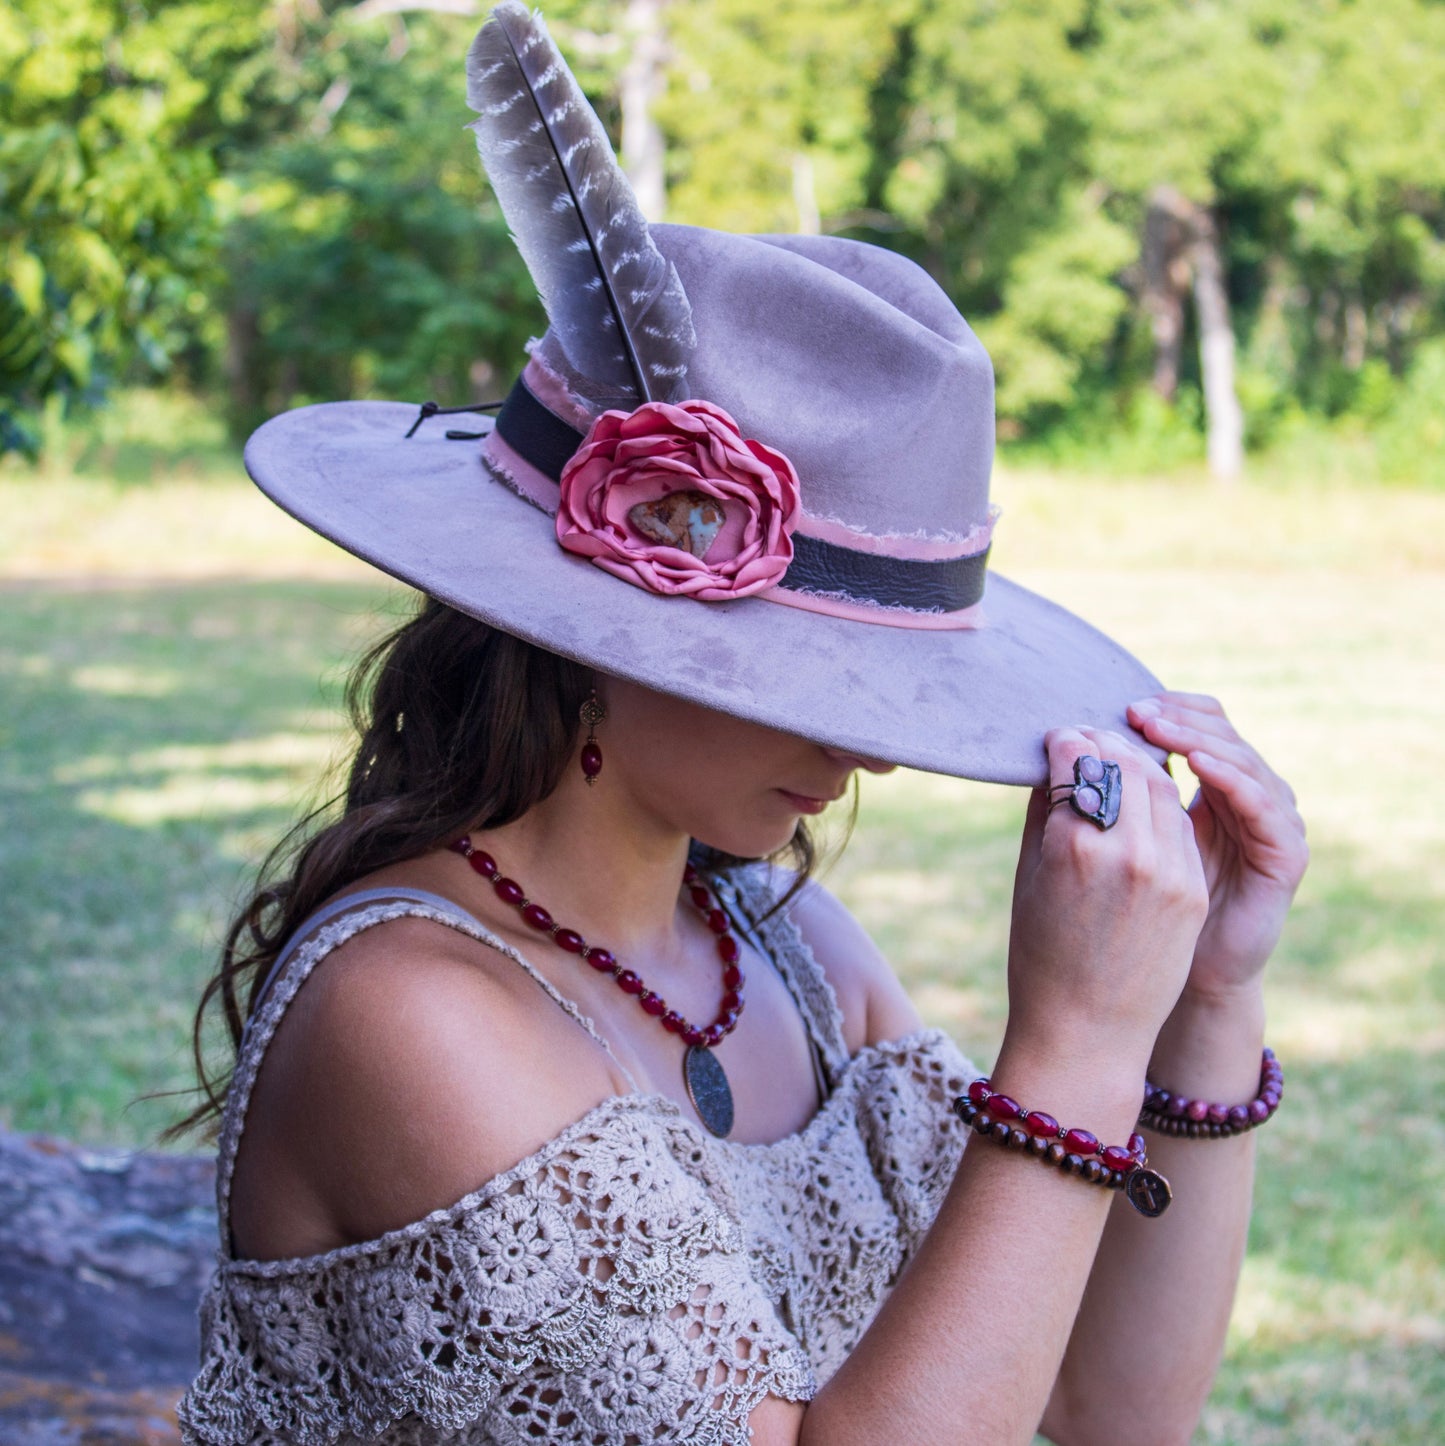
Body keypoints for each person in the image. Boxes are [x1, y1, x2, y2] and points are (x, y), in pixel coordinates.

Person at [173, 5, 1308, 1443]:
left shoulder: (784, 951)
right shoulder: (416, 1014)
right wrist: (1072, 1049)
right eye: (811, 668)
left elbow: (1106, 1406)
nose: (875, 748)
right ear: (600, 622)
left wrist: (1201, 999)